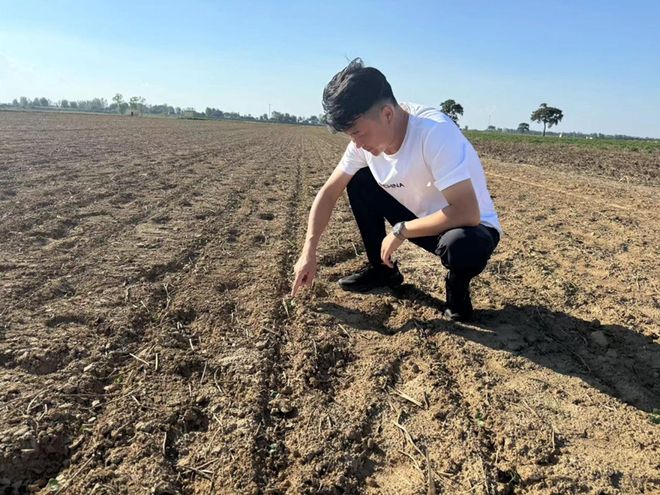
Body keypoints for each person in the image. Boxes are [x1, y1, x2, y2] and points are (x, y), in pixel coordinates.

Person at [291, 59, 501, 322]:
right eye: (350, 136)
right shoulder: (363, 144)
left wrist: (402, 230)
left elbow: (467, 212)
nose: (356, 143)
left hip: (470, 226)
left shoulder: (434, 133)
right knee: (359, 179)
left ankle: (457, 288)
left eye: (358, 133)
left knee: (461, 245)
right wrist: (308, 251)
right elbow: (329, 192)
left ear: (387, 114)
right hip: (419, 217)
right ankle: (382, 270)